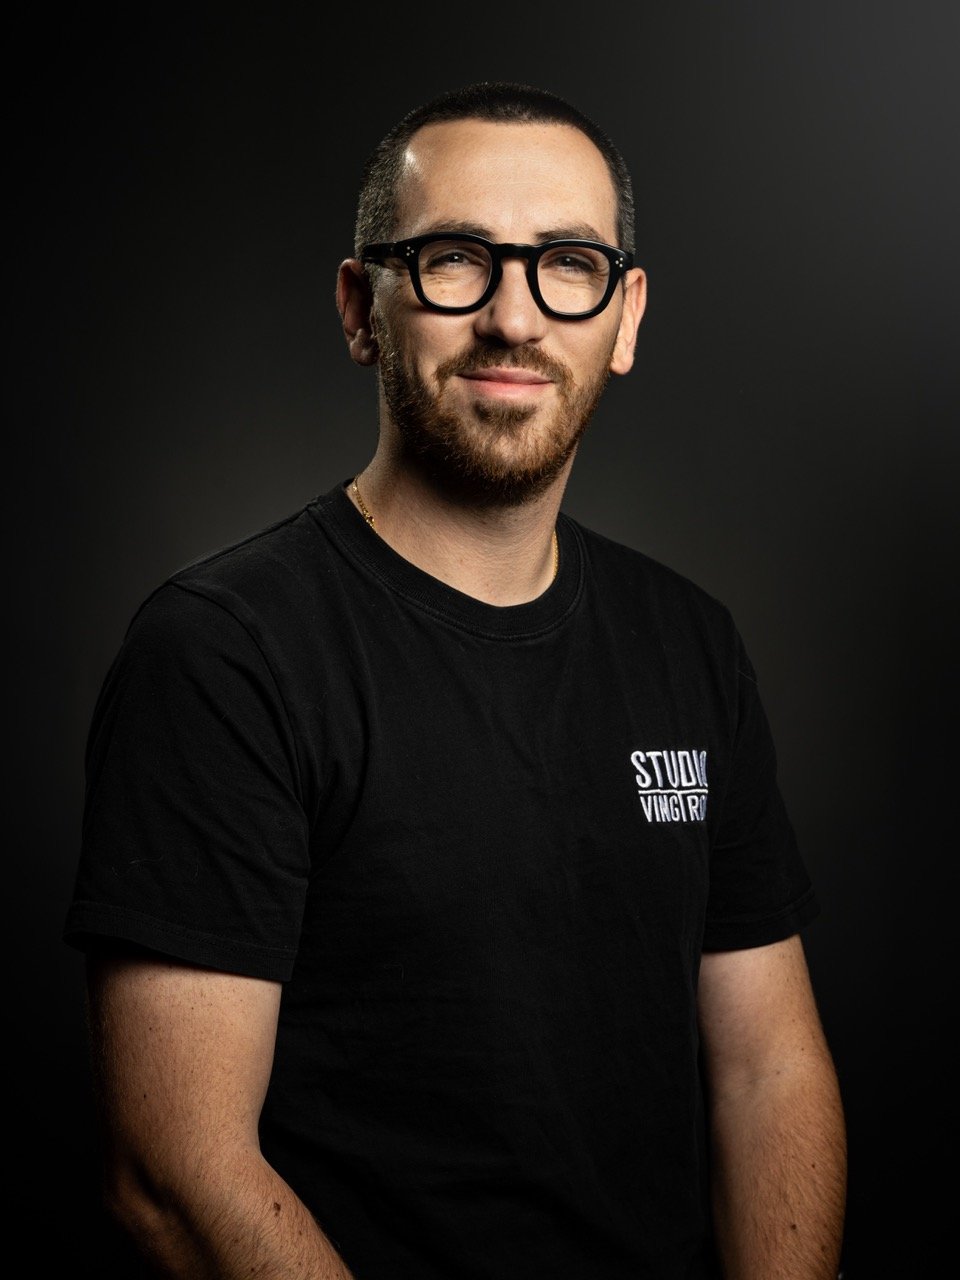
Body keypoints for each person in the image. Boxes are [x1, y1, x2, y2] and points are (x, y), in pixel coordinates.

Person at [64, 81, 847, 1279]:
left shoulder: (691, 644)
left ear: (625, 316)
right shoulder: (223, 655)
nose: (514, 318)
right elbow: (175, 1172)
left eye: (568, 263)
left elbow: (767, 1066)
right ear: (359, 307)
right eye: (454, 259)